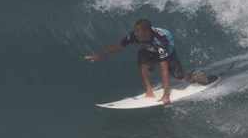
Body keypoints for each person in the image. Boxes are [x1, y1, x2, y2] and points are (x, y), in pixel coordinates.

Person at [85, 18, 214, 105]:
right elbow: (120, 45)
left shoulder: (160, 42)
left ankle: (195, 76)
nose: (135, 33)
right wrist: (100, 55)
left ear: (146, 31)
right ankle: (148, 88)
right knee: (141, 56)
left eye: (138, 31)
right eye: (135, 30)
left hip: (167, 51)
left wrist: (166, 94)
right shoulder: (136, 35)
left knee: (178, 76)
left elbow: (164, 70)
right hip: (150, 51)